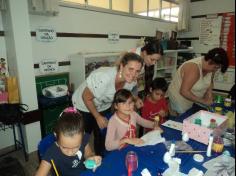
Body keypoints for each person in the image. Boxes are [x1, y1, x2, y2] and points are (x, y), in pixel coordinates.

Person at [72, 52, 144, 156]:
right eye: (130, 69)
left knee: (101, 134)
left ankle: (101, 159)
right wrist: (97, 117)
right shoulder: (104, 77)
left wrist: (136, 99)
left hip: (103, 105)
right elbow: (86, 97)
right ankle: (82, 162)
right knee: (83, 136)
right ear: (122, 66)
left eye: (137, 71)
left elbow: (126, 93)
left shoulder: (132, 81)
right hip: (83, 105)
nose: (133, 74)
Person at [35, 107, 102, 176]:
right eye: (64, 147)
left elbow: (88, 154)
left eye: (76, 147)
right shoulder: (51, 153)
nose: (70, 153)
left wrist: (91, 158)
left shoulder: (83, 139)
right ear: (56, 135)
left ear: (83, 134)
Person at [168, 47, 229, 115]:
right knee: (183, 121)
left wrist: (209, 94)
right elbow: (184, 91)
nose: (215, 70)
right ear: (209, 61)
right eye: (215, 67)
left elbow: (210, 82)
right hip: (179, 100)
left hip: (193, 100)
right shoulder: (193, 68)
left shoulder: (211, 67)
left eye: (218, 68)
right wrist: (203, 101)